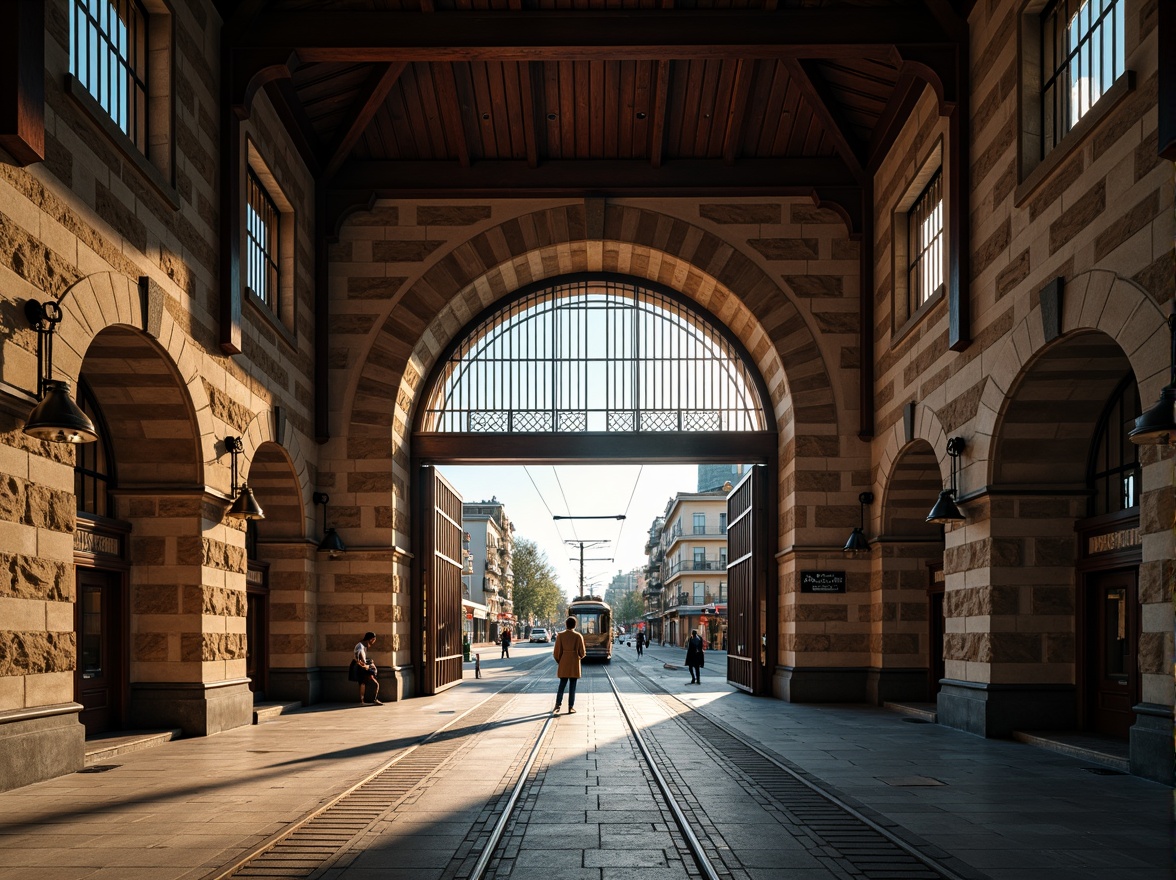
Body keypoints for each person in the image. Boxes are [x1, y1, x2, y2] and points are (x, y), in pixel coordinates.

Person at [552, 616, 586, 714]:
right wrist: (577, 657)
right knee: (572, 686)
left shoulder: (560, 635)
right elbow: (582, 653)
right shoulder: (578, 636)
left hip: (563, 662)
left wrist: (561, 661)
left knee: (562, 685)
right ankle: (570, 707)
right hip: (574, 663)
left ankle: (557, 705)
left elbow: (556, 652)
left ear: (566, 624)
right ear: (575, 625)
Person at [352, 632, 382, 705]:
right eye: (374, 640)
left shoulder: (362, 645)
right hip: (361, 667)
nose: (374, 642)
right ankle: (364, 701)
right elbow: (359, 660)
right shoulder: (361, 647)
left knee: (364, 683)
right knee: (365, 683)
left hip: (361, 666)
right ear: (372, 639)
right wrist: (368, 667)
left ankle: (370, 700)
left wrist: (369, 662)